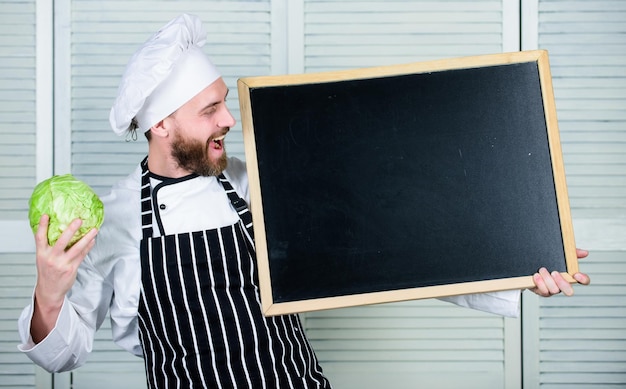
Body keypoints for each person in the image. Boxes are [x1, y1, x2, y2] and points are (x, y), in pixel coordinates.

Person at [17, 13, 590, 389]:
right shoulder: (115, 218)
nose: (229, 120)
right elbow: (64, 354)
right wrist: (49, 290)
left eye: (224, 102)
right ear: (163, 124)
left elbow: (390, 251)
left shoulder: (259, 180)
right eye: (211, 110)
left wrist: (520, 264)